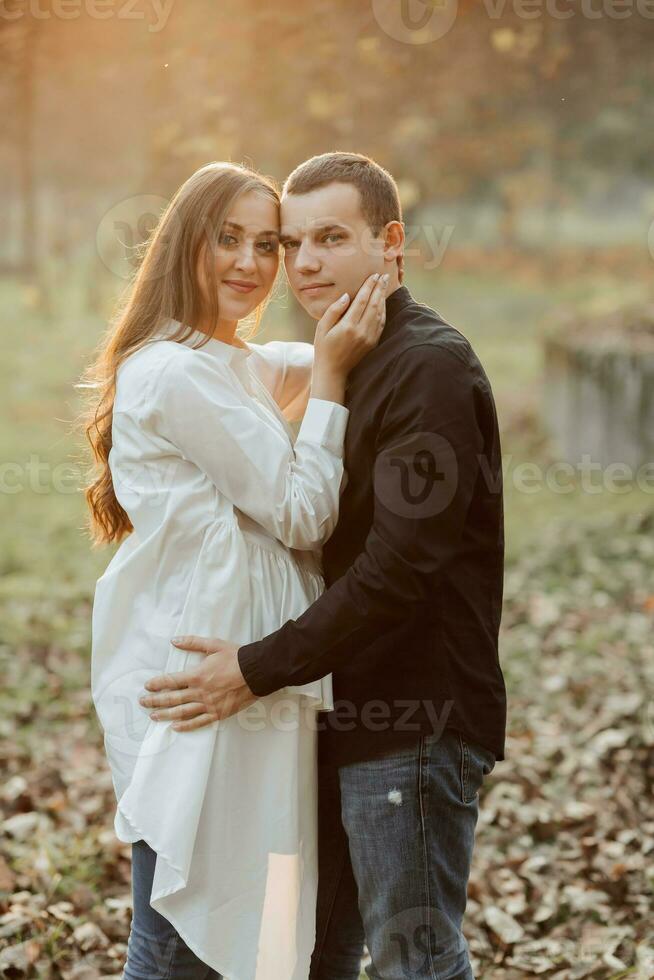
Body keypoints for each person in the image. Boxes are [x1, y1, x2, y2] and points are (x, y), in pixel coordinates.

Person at [142, 152, 508, 980]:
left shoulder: (428, 366)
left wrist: (257, 668)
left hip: (412, 718)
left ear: (392, 244)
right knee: (314, 957)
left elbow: (399, 570)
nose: (303, 264)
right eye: (292, 241)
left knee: (414, 957)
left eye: (331, 238)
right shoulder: (346, 357)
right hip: (335, 717)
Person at [82, 159, 388, 979]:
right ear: (186, 241)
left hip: (256, 679)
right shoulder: (177, 372)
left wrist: (345, 326)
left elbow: (285, 357)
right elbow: (300, 511)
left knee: (252, 929)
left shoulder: (222, 362)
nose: (251, 264)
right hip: (202, 681)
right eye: (228, 239)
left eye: (269, 244)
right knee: (174, 940)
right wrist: (328, 376)